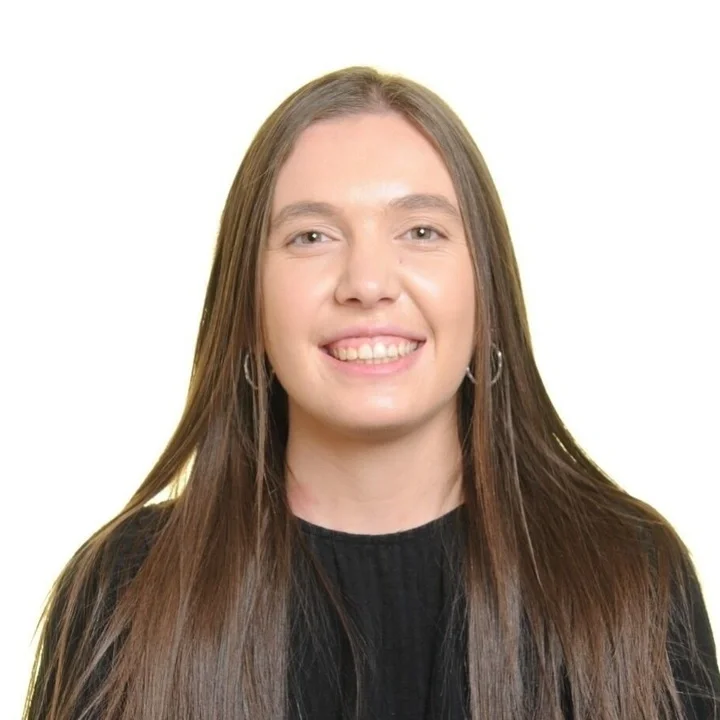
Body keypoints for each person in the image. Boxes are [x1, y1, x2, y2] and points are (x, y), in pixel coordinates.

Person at [24, 65, 719, 720]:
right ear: (249, 305)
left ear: (486, 292)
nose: (367, 282)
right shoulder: (124, 590)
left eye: (421, 231)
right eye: (311, 236)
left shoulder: (624, 576)